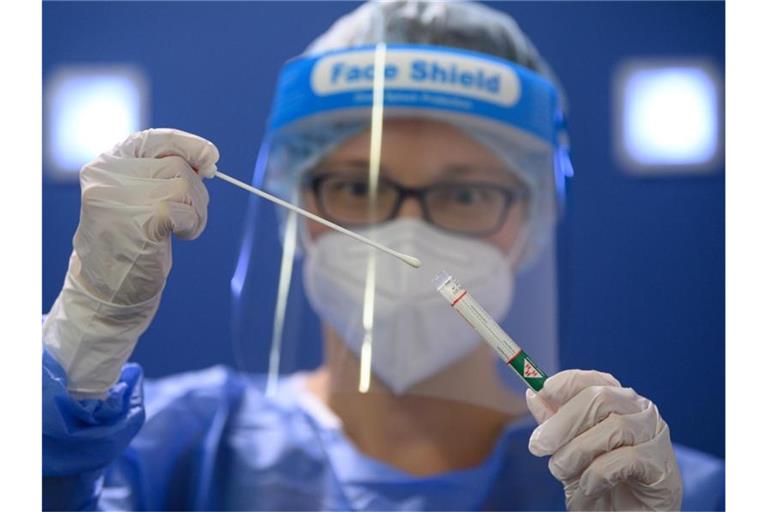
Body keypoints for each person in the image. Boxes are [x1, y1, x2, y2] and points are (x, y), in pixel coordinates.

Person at [42, 1, 724, 510]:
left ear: (532, 224)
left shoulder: (647, 483)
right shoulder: (165, 454)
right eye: (358, 187)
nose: (406, 233)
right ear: (296, 213)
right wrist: (83, 343)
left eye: (464, 193)